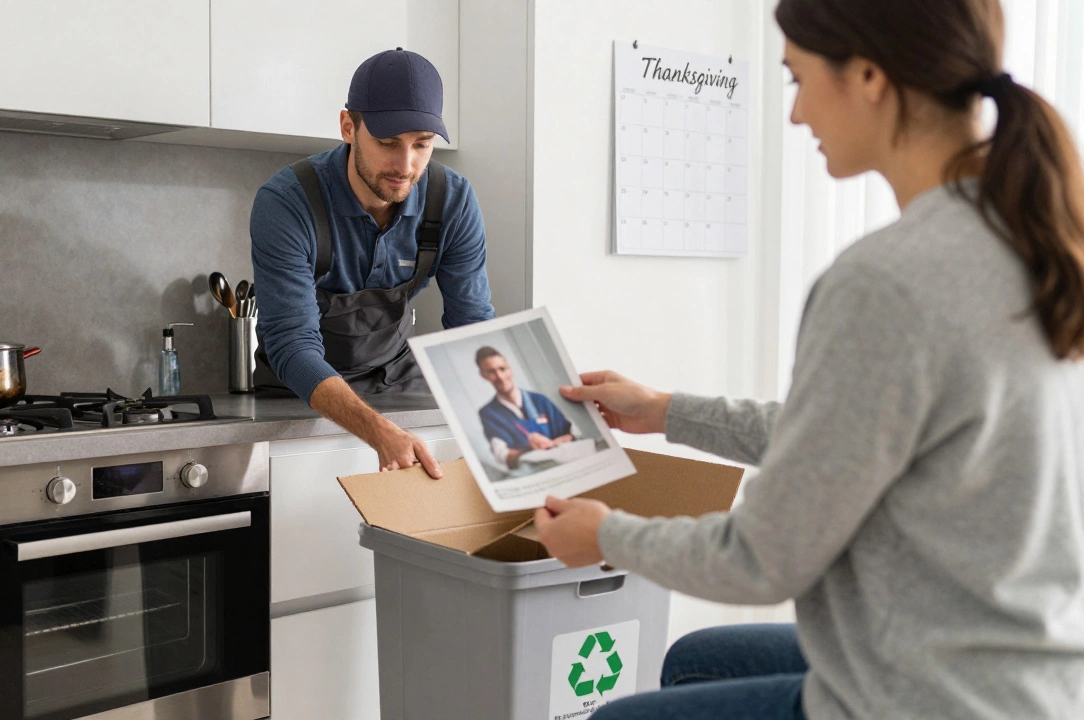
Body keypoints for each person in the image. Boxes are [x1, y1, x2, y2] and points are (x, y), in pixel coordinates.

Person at [533, 1, 1084, 719]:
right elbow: (850, 435)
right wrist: (666, 412)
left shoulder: (885, 281)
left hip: (930, 698)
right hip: (1035, 674)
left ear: (867, 74)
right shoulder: (1035, 239)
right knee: (698, 663)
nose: (795, 116)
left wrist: (603, 534)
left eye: (797, 80)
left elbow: (762, 557)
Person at [251, 49, 496, 477]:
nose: (406, 165)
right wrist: (378, 432)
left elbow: (472, 327)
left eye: (422, 145)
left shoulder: (451, 199)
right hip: (297, 400)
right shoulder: (288, 202)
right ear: (348, 126)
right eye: (387, 143)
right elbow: (291, 343)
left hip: (399, 386)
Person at [474, 346, 579, 469]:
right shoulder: (488, 414)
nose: (500, 377)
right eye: (491, 372)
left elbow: (572, 433)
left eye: (502, 369)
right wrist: (530, 450)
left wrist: (552, 444)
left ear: (509, 368)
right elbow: (502, 455)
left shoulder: (540, 400)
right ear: (483, 375)